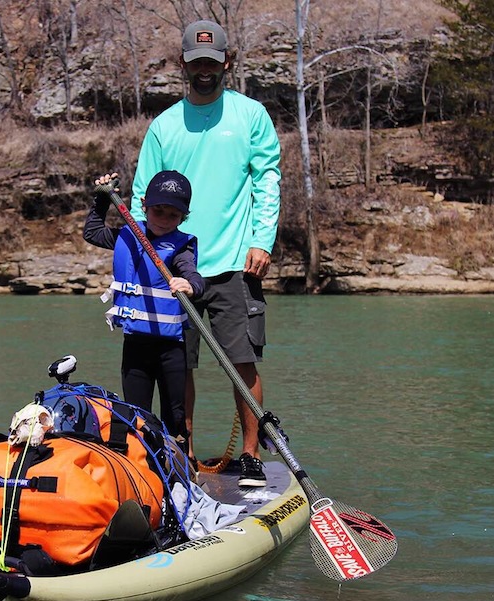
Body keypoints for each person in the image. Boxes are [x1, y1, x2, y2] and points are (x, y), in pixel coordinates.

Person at [130, 19, 281, 487]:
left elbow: (267, 178)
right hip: (174, 268)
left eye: (212, 63)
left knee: (240, 360)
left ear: (226, 64)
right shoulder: (164, 125)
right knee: (179, 367)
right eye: (196, 63)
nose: (204, 71)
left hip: (235, 262)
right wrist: (146, 257)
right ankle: (184, 455)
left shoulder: (250, 115)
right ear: (183, 65)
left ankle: (252, 455)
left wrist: (262, 239)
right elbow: (140, 197)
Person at [84, 170, 205, 450]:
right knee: (136, 415)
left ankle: (178, 470)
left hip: (171, 349)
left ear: (183, 218)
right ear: (144, 206)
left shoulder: (181, 247)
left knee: (175, 416)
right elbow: (92, 232)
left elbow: (194, 276)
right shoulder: (128, 235)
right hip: (136, 345)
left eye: (172, 215)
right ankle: (142, 470)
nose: (163, 220)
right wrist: (101, 199)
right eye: (158, 211)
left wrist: (190, 285)